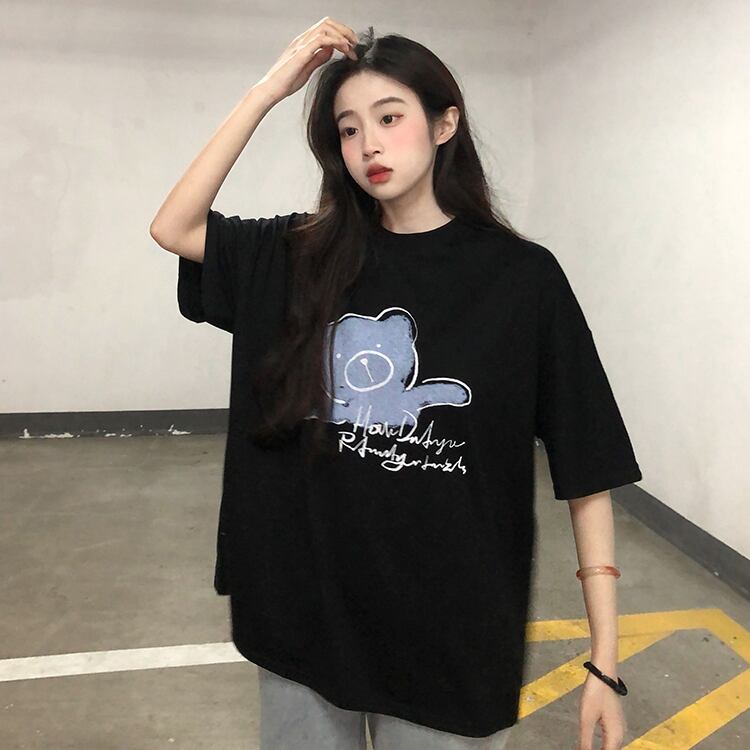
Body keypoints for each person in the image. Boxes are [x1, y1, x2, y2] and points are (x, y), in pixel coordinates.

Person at [150, 17, 642, 750]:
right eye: (348, 129)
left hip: (450, 637)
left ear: (445, 124)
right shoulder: (299, 256)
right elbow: (174, 226)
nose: (368, 145)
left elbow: (586, 466)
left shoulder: (521, 281)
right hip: (306, 620)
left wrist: (604, 659)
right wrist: (268, 91)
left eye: (388, 118)